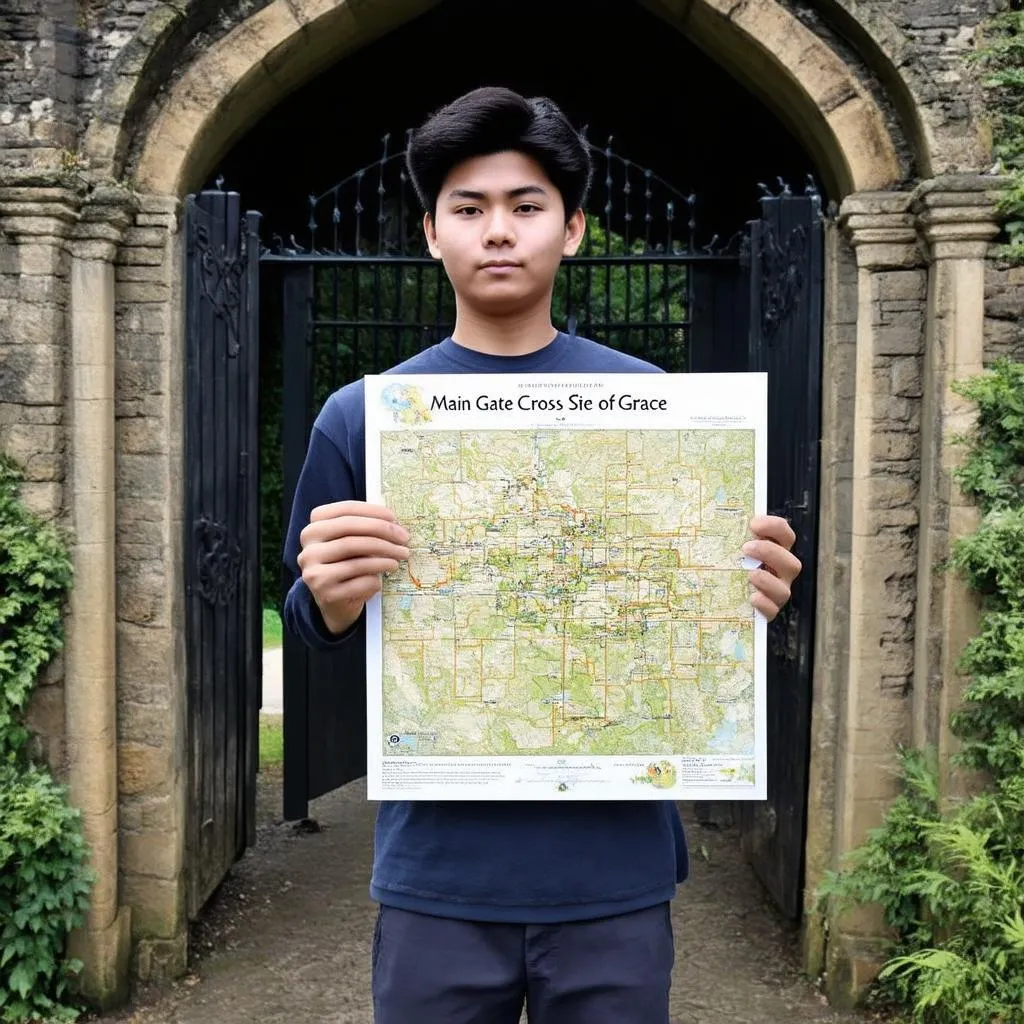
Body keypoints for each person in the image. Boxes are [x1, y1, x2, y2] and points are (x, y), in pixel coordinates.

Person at [282, 86, 802, 1024]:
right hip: (438, 873)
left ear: (572, 230)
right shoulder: (363, 415)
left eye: (527, 207)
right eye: (469, 209)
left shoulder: (658, 407)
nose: (498, 231)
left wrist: (753, 588)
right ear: (431, 233)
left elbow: (706, 596)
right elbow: (307, 621)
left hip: (614, 874)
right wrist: (328, 598)